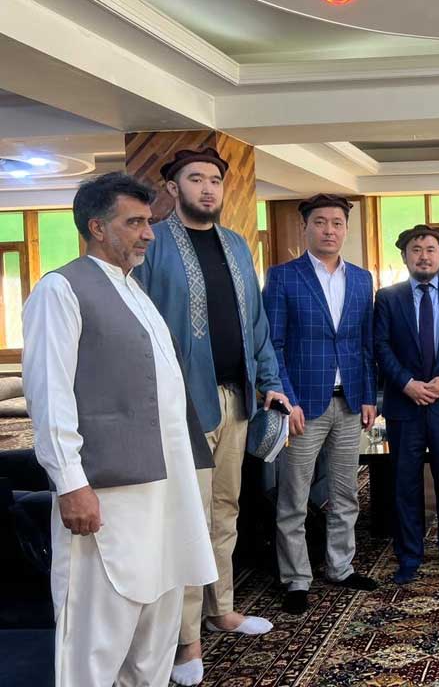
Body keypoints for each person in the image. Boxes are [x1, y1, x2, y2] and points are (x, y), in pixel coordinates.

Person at [22, 173, 216, 686]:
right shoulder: (61, 289)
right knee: (96, 640)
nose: (148, 233)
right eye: (134, 223)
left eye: (148, 222)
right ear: (97, 227)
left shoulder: (135, 289)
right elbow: (50, 396)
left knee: (153, 637)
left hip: (166, 490)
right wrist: (71, 485)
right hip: (106, 496)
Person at [133, 147, 290, 686]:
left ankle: (221, 609)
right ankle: (185, 639)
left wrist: (270, 381)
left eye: (215, 180)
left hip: (236, 398)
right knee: (188, 518)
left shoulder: (236, 244)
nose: (207, 188)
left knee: (226, 510)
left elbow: (257, 323)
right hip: (183, 405)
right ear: (172, 188)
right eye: (195, 179)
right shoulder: (154, 243)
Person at [263, 194, 379, 616]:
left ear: (346, 229)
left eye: (337, 223)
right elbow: (272, 344)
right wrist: (287, 400)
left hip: (349, 403)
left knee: (345, 492)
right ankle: (296, 578)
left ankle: (340, 567)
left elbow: (365, 344)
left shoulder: (362, 279)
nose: (329, 230)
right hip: (302, 408)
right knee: (294, 498)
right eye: (320, 222)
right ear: (305, 227)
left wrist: (368, 395)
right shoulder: (283, 277)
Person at [374, 225, 439, 584]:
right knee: (405, 483)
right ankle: (408, 555)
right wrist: (407, 384)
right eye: (416, 250)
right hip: (405, 405)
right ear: (405, 257)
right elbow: (381, 346)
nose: (424, 256)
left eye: (430, 250)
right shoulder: (388, 298)